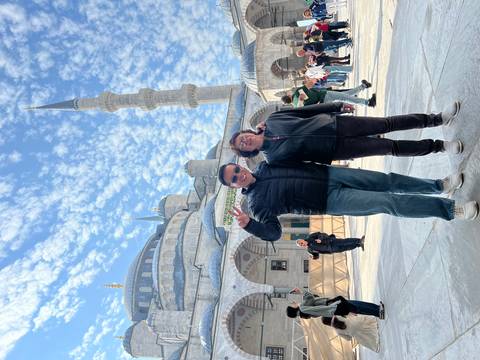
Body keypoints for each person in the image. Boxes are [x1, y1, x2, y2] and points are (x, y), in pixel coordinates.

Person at [218, 162, 478, 242]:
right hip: (330, 199)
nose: (240, 176)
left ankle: (438, 186)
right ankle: (451, 210)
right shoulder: (256, 204)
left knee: (386, 180)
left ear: (241, 165)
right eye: (234, 179)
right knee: (388, 202)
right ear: (234, 186)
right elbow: (274, 232)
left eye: (237, 170)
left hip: (330, 174)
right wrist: (250, 224)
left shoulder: (266, 165)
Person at [228, 102, 464, 165]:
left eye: (242, 137)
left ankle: (437, 118)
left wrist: (335, 106)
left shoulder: (273, 120)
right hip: (336, 149)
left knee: (386, 123)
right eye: (243, 146)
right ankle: (439, 146)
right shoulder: (274, 159)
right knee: (388, 148)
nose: (246, 141)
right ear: (248, 151)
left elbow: (305, 111)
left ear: (246, 132)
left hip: (335, 125)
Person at [285, 288, 384, 319]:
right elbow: (310, 297)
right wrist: (301, 291)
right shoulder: (302, 308)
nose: (293, 302)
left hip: (332, 306)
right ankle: (378, 311)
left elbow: (312, 300)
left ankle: (377, 311)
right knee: (357, 306)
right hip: (333, 305)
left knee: (356, 307)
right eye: (292, 304)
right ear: (293, 309)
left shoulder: (304, 311)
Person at [282, 80, 375, 107]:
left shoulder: (296, 107)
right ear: (288, 95)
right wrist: (313, 79)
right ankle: (367, 103)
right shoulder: (297, 92)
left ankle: (363, 86)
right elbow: (310, 84)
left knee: (345, 95)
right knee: (345, 98)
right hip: (323, 95)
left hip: (322, 103)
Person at [296, 233, 364, 258]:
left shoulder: (311, 237)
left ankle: (359, 241)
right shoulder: (309, 249)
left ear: (302, 240)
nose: (302, 245)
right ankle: (358, 245)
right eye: (301, 245)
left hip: (331, 242)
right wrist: (313, 257)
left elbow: (321, 234)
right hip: (331, 250)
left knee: (344, 242)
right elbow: (316, 256)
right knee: (346, 248)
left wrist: (320, 239)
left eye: (301, 243)